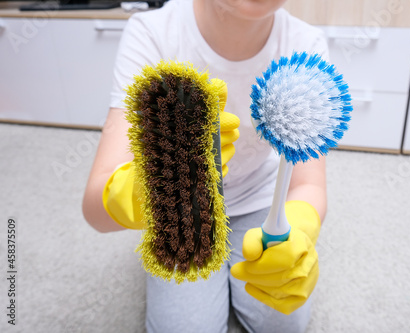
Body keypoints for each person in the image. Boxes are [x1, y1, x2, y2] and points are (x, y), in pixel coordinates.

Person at [82, 0, 328, 332]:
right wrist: (149, 191)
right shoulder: (154, 33)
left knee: (282, 323)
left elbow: (307, 183)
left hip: (262, 200)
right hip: (181, 210)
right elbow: (94, 208)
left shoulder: (304, 43)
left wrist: (298, 229)